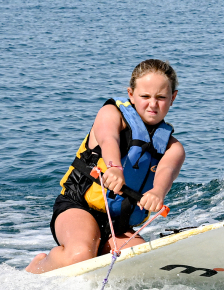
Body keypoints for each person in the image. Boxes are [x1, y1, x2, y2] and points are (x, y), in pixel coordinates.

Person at [26, 59, 186, 274]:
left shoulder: (173, 148)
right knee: (80, 255)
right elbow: (108, 138)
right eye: (145, 96)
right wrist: (114, 167)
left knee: (140, 266)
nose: (153, 104)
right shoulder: (111, 114)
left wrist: (157, 193)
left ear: (173, 97)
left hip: (118, 225)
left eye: (161, 97)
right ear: (131, 94)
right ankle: (38, 267)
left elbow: (166, 172)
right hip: (78, 206)